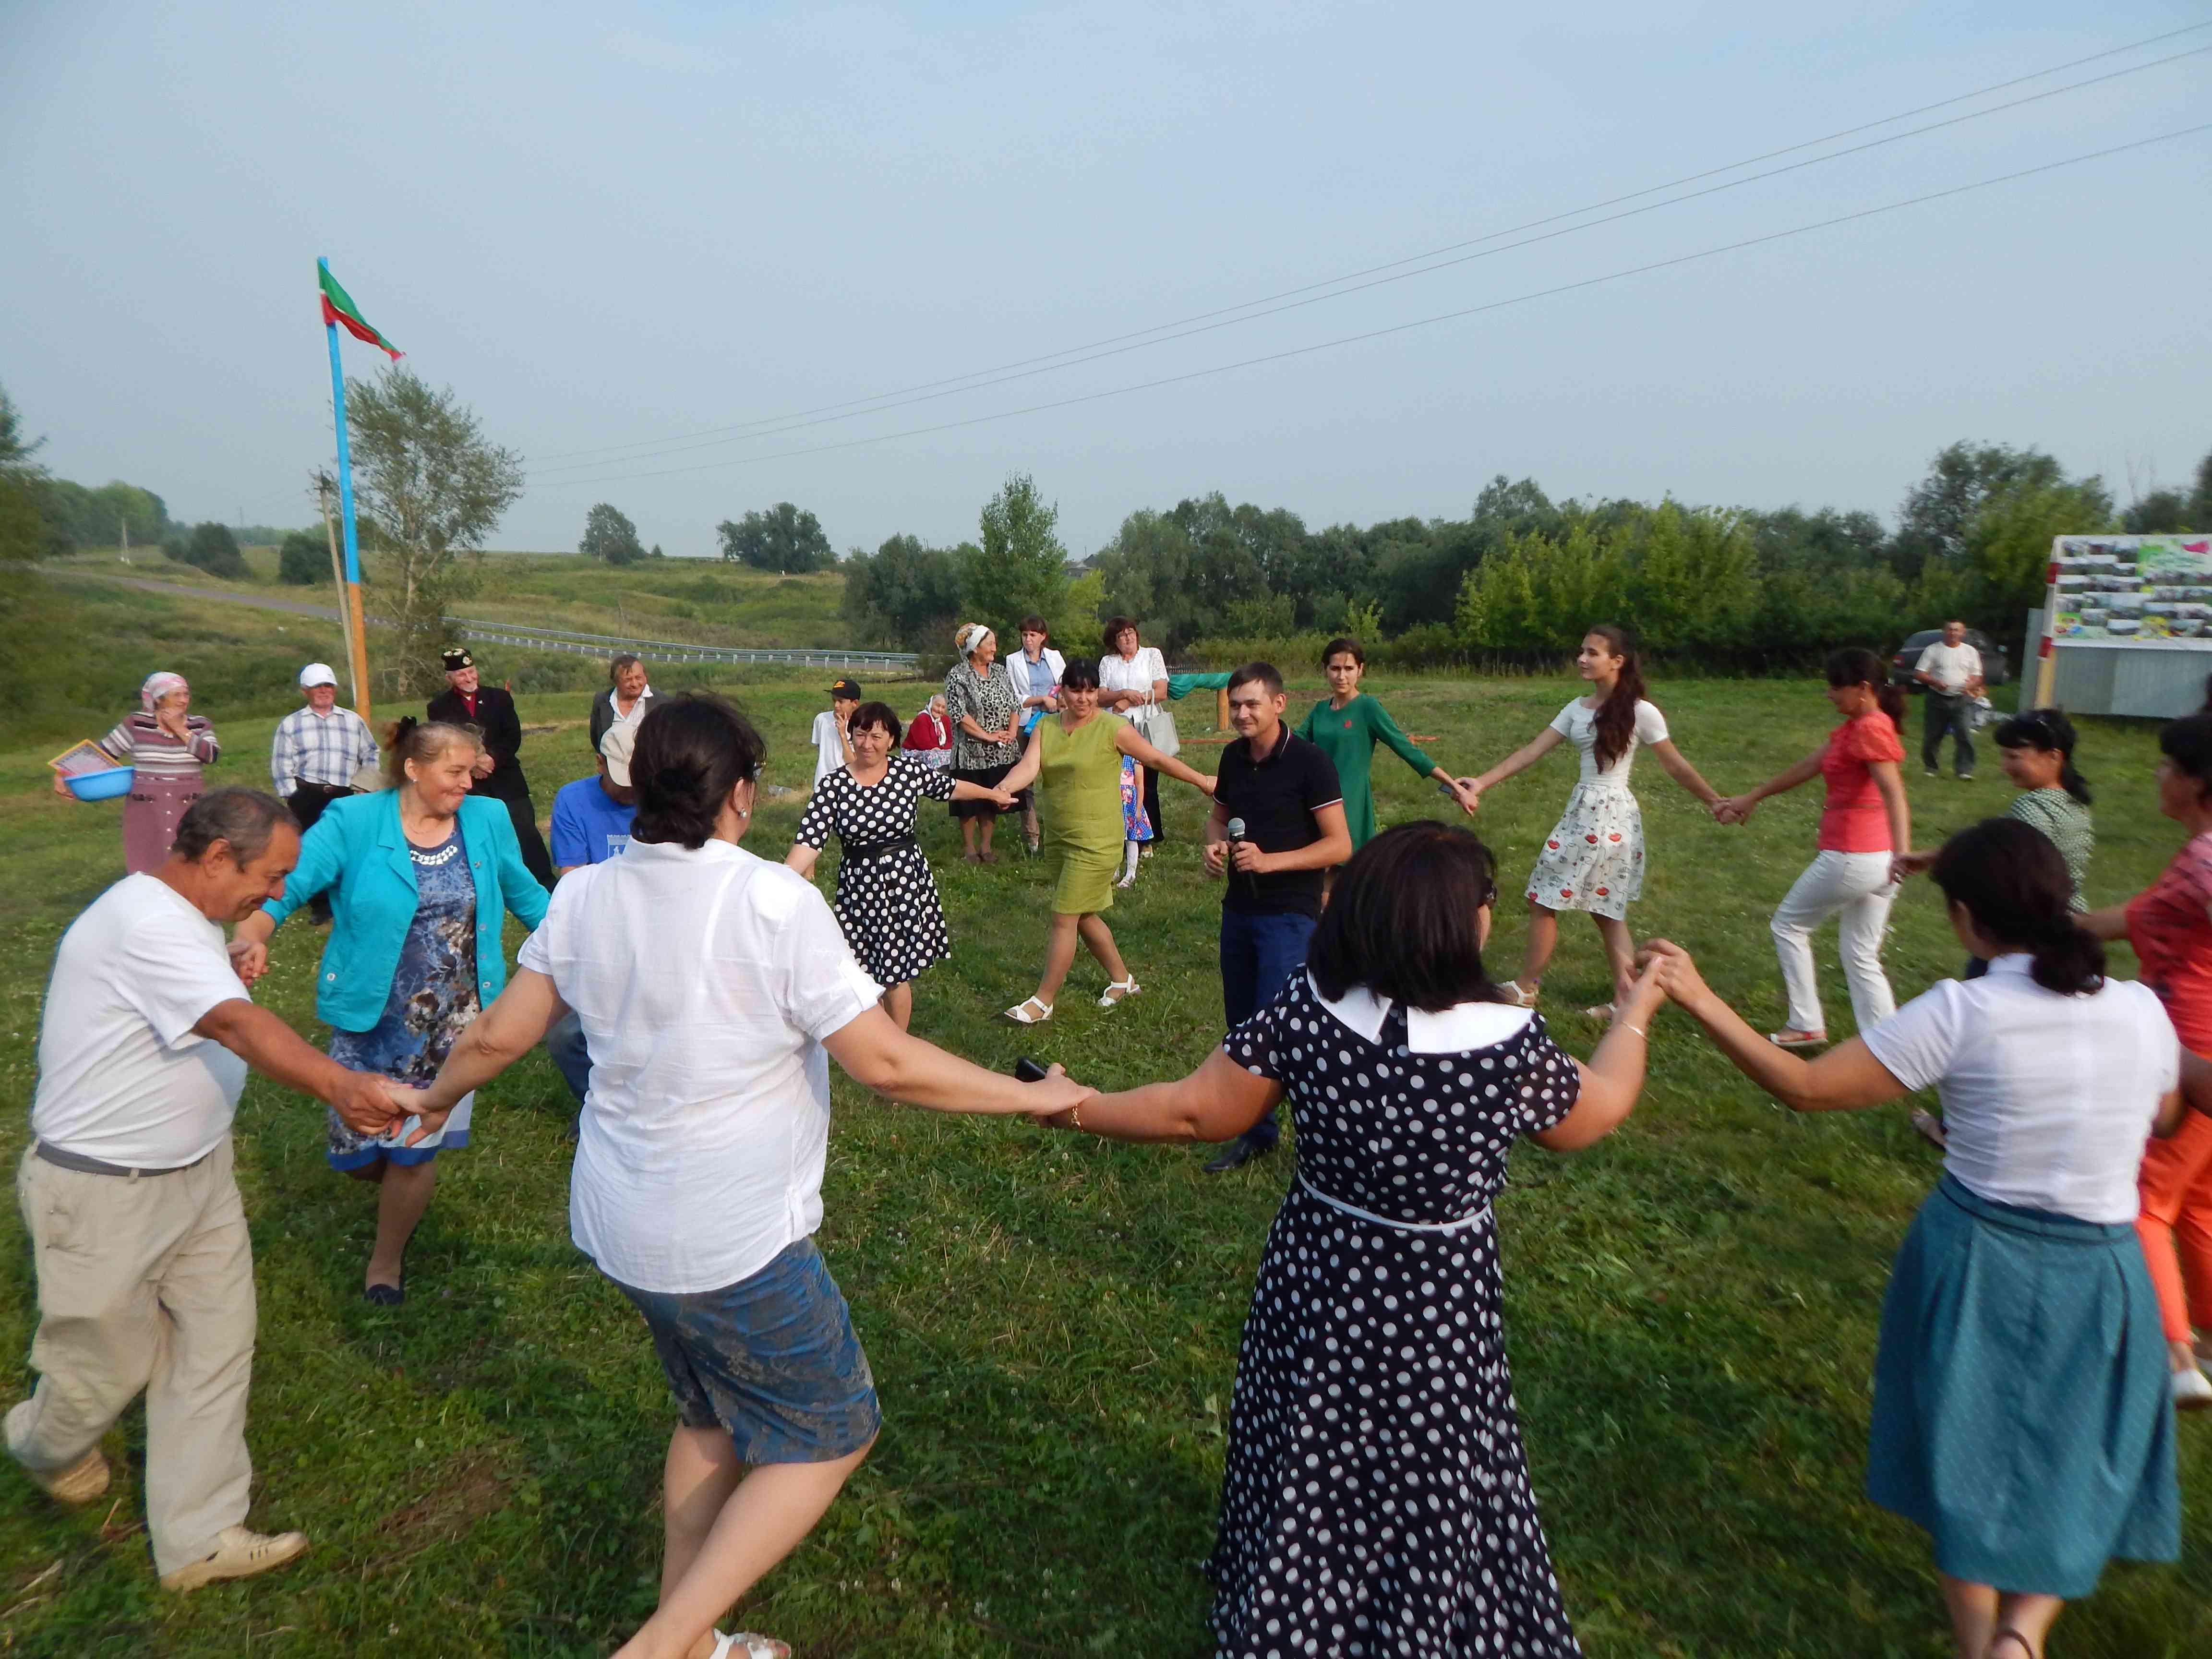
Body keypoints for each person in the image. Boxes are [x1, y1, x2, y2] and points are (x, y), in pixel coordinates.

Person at [388, 693, 1088, 1659]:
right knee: (835, 1428)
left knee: (712, 1421)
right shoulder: (773, 903)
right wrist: (1038, 1099)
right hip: (730, 1243)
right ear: (741, 797)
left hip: (622, 1230)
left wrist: (429, 1099)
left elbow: (504, 1033)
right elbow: (884, 1063)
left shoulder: (587, 893)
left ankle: (700, 1641)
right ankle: (661, 1644)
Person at [1029, 822, 1664, 1658]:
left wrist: (1072, 1101)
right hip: (1440, 1304)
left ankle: (1293, 1600)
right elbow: (1598, 1109)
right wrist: (1639, 1008)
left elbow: (1193, 1110)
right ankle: (1413, 1619)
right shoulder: (1506, 1044)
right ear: (1461, 920)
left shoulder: (1312, 1007)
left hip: (1317, 1271)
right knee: (1427, 1462)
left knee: (1307, 1438)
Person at [1643, 818, 2181, 1659]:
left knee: (1959, 1445)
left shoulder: (1963, 1010)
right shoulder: (2141, 1011)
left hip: (1977, 1254)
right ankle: (2023, 1635)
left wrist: (1699, 994)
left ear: (1966, 917)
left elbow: (1809, 1087)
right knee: (2076, 1451)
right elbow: (2166, 1112)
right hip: (2103, 1267)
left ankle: (1979, 1643)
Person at [8, 788, 405, 1591]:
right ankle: (38, 1442)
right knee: (102, 1372)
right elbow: (234, 1026)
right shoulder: (147, 922)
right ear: (216, 857)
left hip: (199, 1172)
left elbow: (193, 1001)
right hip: (104, 1191)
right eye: (270, 876)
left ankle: (197, 1537)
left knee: (216, 1344)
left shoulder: (185, 919)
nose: (274, 894)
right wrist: (340, 1086)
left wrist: (222, 960)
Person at [227, 719, 549, 1303]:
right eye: (454, 772)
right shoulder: (355, 822)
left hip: (459, 1020)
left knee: (413, 1149)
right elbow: (289, 886)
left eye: (470, 772)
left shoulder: (487, 819)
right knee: (356, 1149)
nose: (466, 784)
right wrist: (252, 934)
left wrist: (579, 944)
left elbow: (525, 893)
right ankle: (390, 1180)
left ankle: (386, 1262)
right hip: (373, 1016)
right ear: (413, 768)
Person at [1461, 625, 1726, 1017]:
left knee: (1543, 897)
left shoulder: (1640, 711)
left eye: (1593, 653)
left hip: (1600, 818)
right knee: (1606, 910)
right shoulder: (1576, 708)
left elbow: (1675, 764)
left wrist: (1714, 800)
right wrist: (1481, 782)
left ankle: (1526, 988)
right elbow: (1531, 751)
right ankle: (1626, 1002)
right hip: (1599, 816)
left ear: (1618, 661)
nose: (1582, 659)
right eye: (1581, 652)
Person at [2079, 711, 2212, 1406]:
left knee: (2144, 1202)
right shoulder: (2192, 861)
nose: (2156, 776)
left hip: (2187, 1059)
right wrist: (2046, 920)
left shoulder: (2204, 857)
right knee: (2197, 1201)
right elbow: (2141, 916)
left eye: (2166, 767)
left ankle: (2174, 1356)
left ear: (2194, 782)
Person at [994, 658, 1218, 1024]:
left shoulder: (1114, 728)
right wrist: (1003, 787)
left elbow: (1159, 760)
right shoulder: (1045, 728)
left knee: (1064, 915)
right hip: (1061, 839)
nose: (1083, 699)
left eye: (1090, 691)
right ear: (1062, 692)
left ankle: (1042, 1002)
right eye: (1075, 690)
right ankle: (1122, 980)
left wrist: (1203, 781)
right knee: (1083, 916)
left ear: (1098, 692)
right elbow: (1029, 767)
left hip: (1098, 840)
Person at [1717, 648, 1912, 1049]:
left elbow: (1894, 792)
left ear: (1863, 689)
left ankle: (1806, 1023)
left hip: (1854, 855)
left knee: (1788, 925)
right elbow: (1807, 767)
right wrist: (1752, 797)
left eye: (1836, 687)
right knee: (1861, 954)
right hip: (1879, 861)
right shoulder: (1858, 726)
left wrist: (1904, 854)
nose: (1829, 695)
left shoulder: (1870, 728)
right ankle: (1890, 1044)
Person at [1199, 662, 1352, 1172]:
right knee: (1242, 1027)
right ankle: (1257, 1132)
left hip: (1290, 914)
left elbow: (1340, 844)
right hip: (1239, 910)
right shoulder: (1233, 757)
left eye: (1252, 704)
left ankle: (1323, 1136)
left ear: (1279, 705)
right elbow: (1217, 816)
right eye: (1236, 704)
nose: (1241, 713)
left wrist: (1271, 861)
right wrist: (1213, 847)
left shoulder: (1310, 763)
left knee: (1285, 1030)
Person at [786, 701, 1015, 1031]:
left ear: (892, 739)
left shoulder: (907, 772)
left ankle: (898, 1040)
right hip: (859, 887)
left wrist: (992, 795)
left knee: (895, 972)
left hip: (904, 881)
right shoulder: (833, 786)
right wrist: (777, 880)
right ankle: (873, 1035)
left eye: (876, 736)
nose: (867, 744)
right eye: (860, 735)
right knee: (859, 968)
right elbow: (809, 841)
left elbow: (951, 789)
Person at [1295, 635, 1479, 848]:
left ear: (1360, 670)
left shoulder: (1368, 708)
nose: (1342, 676)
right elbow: (1292, 744)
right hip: (1318, 800)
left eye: (1349, 669)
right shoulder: (1319, 711)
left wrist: (1457, 787)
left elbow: (1407, 749)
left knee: (1339, 866)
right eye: (1335, 669)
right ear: (1325, 670)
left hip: (1350, 803)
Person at [545, 722, 642, 1108]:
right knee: (566, 1038)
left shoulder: (662, 799)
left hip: (656, 933)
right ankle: (597, 1104)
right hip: (598, 931)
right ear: (600, 763)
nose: (632, 790)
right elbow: (574, 881)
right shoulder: (573, 800)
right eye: (623, 779)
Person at [427, 647, 555, 889]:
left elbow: (512, 737)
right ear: (450, 678)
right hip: (469, 783)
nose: (469, 678)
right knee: (476, 835)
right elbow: (443, 743)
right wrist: (473, 763)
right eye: (462, 675)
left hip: (506, 778)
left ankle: (545, 883)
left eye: (472, 672)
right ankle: (486, 885)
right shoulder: (439, 708)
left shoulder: (500, 698)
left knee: (525, 831)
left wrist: (491, 758)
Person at [72, 671, 221, 876]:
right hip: (147, 808)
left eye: (186, 694)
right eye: (176, 695)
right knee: (148, 865)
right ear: (159, 699)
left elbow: (211, 756)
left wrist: (180, 729)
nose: (183, 700)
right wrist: (64, 774)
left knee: (191, 862)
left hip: (189, 806)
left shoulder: (199, 724)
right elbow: (101, 756)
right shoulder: (137, 724)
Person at [268, 662, 379, 925]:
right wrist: (292, 795)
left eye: (328, 686)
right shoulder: (292, 724)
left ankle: (350, 897)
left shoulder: (352, 721)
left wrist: (366, 787)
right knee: (312, 849)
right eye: (318, 687)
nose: (324, 691)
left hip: (346, 795)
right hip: (309, 794)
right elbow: (282, 761)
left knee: (351, 847)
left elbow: (371, 753)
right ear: (306, 690)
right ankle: (320, 905)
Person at [942, 625, 1021, 864]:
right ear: (975, 648)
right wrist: (987, 736)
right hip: (970, 752)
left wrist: (1011, 732)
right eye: (990, 644)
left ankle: (986, 848)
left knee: (992, 799)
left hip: (999, 753)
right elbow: (959, 714)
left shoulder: (1000, 671)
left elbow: (1014, 705)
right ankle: (969, 849)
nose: (995, 648)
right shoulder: (958, 675)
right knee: (968, 803)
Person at [1099, 617, 1174, 848]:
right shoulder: (1108, 662)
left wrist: (1133, 699)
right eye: (1121, 635)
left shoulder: (1152, 655)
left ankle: (1149, 838)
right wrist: (1122, 694)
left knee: (1147, 782)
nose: (1128, 638)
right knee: (1121, 782)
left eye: (1131, 632)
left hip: (1146, 724)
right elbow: (1101, 696)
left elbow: (1161, 691)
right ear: (1115, 641)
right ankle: (1121, 835)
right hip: (1118, 727)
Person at [1004, 615, 1065, 855]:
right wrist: (1041, 699)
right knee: (1025, 780)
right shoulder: (1012, 661)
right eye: (1025, 635)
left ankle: (1060, 829)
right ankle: (1032, 836)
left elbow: (1065, 684)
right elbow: (1013, 696)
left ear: (1043, 637)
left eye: (1033, 635)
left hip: (1054, 722)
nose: (1028, 640)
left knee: (1058, 774)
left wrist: (1058, 700)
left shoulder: (1055, 657)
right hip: (1027, 723)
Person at [1914, 618, 1984, 781]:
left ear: (1963, 633)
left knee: (1964, 734)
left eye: (1957, 630)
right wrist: (1935, 682)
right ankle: (1931, 768)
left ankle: (1964, 771)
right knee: (1933, 735)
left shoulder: (1970, 652)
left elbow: (1978, 676)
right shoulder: (1933, 650)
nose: (1953, 633)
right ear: (1944, 632)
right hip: (1937, 699)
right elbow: (1919, 673)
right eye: (1950, 630)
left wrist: (1971, 684)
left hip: (1962, 699)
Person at [588, 652, 655, 753]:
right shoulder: (602, 702)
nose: (634, 684)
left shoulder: (661, 702)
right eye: (628, 680)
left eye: (638, 678)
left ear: (646, 677)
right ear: (615, 682)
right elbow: (596, 738)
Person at [810, 678, 860, 789]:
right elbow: (821, 748)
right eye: (834, 701)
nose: (836, 705)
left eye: (841, 702)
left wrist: (843, 734)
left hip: (848, 783)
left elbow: (853, 761)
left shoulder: (860, 725)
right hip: (823, 781)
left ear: (855, 703)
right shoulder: (821, 719)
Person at [904, 694, 952, 771]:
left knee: (954, 755)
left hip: (938, 750)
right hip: (915, 751)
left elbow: (950, 740)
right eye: (938, 706)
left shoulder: (945, 720)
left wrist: (943, 749)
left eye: (943, 707)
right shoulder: (922, 718)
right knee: (933, 756)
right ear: (931, 705)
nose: (940, 710)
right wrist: (939, 750)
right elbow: (923, 744)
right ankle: (934, 778)